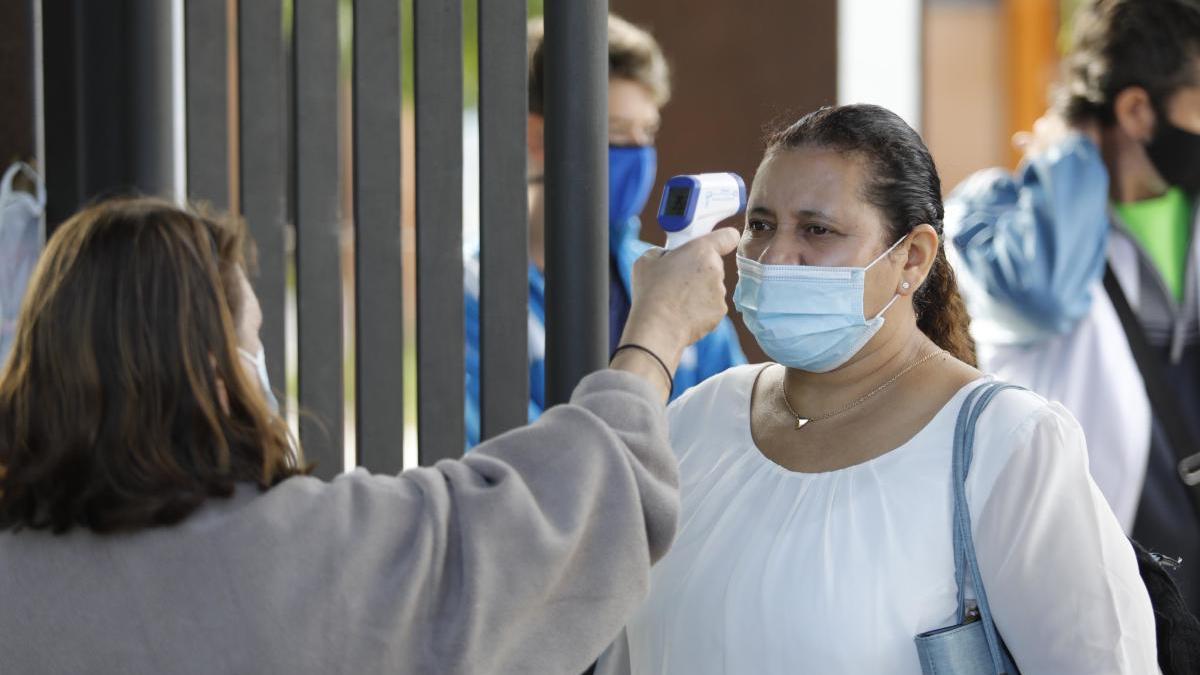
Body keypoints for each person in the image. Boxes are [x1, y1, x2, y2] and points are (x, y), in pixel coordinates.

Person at [0, 197, 741, 674]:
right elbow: (540, 516)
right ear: (213, 372)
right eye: (255, 338)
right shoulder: (290, 557)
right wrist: (655, 335)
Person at [597, 104, 1156, 674]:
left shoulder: (1007, 445)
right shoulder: (697, 418)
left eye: (817, 229)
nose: (773, 257)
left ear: (911, 256)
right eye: (761, 225)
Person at [944, 0, 1200, 610]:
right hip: (1091, 578)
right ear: (1138, 110)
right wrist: (1067, 158)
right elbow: (1044, 296)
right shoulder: (1000, 213)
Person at [464, 14, 746, 447]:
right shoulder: (476, 296)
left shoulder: (672, 275)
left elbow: (737, 433)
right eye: (615, 133)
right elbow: (514, 478)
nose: (638, 155)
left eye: (647, 132)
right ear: (537, 138)